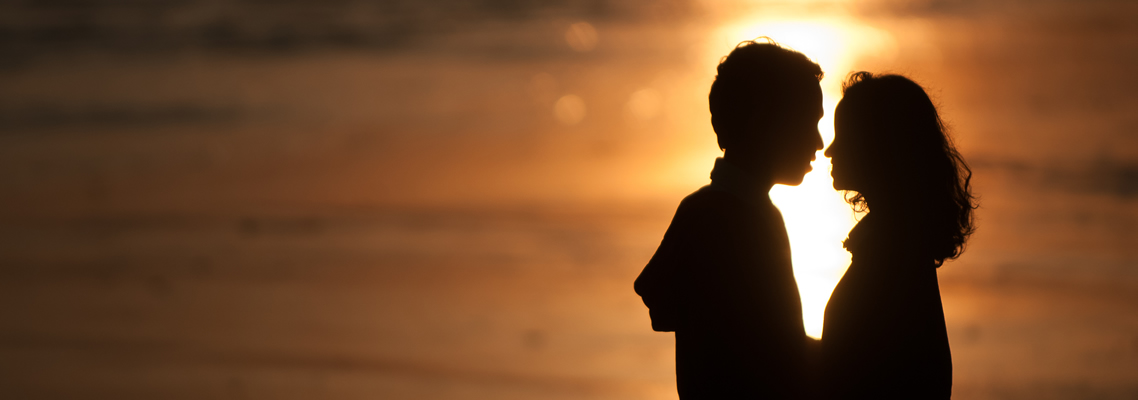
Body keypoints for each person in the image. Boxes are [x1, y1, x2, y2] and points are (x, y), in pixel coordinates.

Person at [633, 40, 824, 399]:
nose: (818, 141)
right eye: (807, 123)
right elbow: (772, 353)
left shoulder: (744, 212)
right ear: (763, 121)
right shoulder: (715, 215)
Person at [820, 72, 977, 399]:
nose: (829, 150)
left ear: (878, 145)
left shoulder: (892, 261)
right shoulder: (897, 247)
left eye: (843, 135)